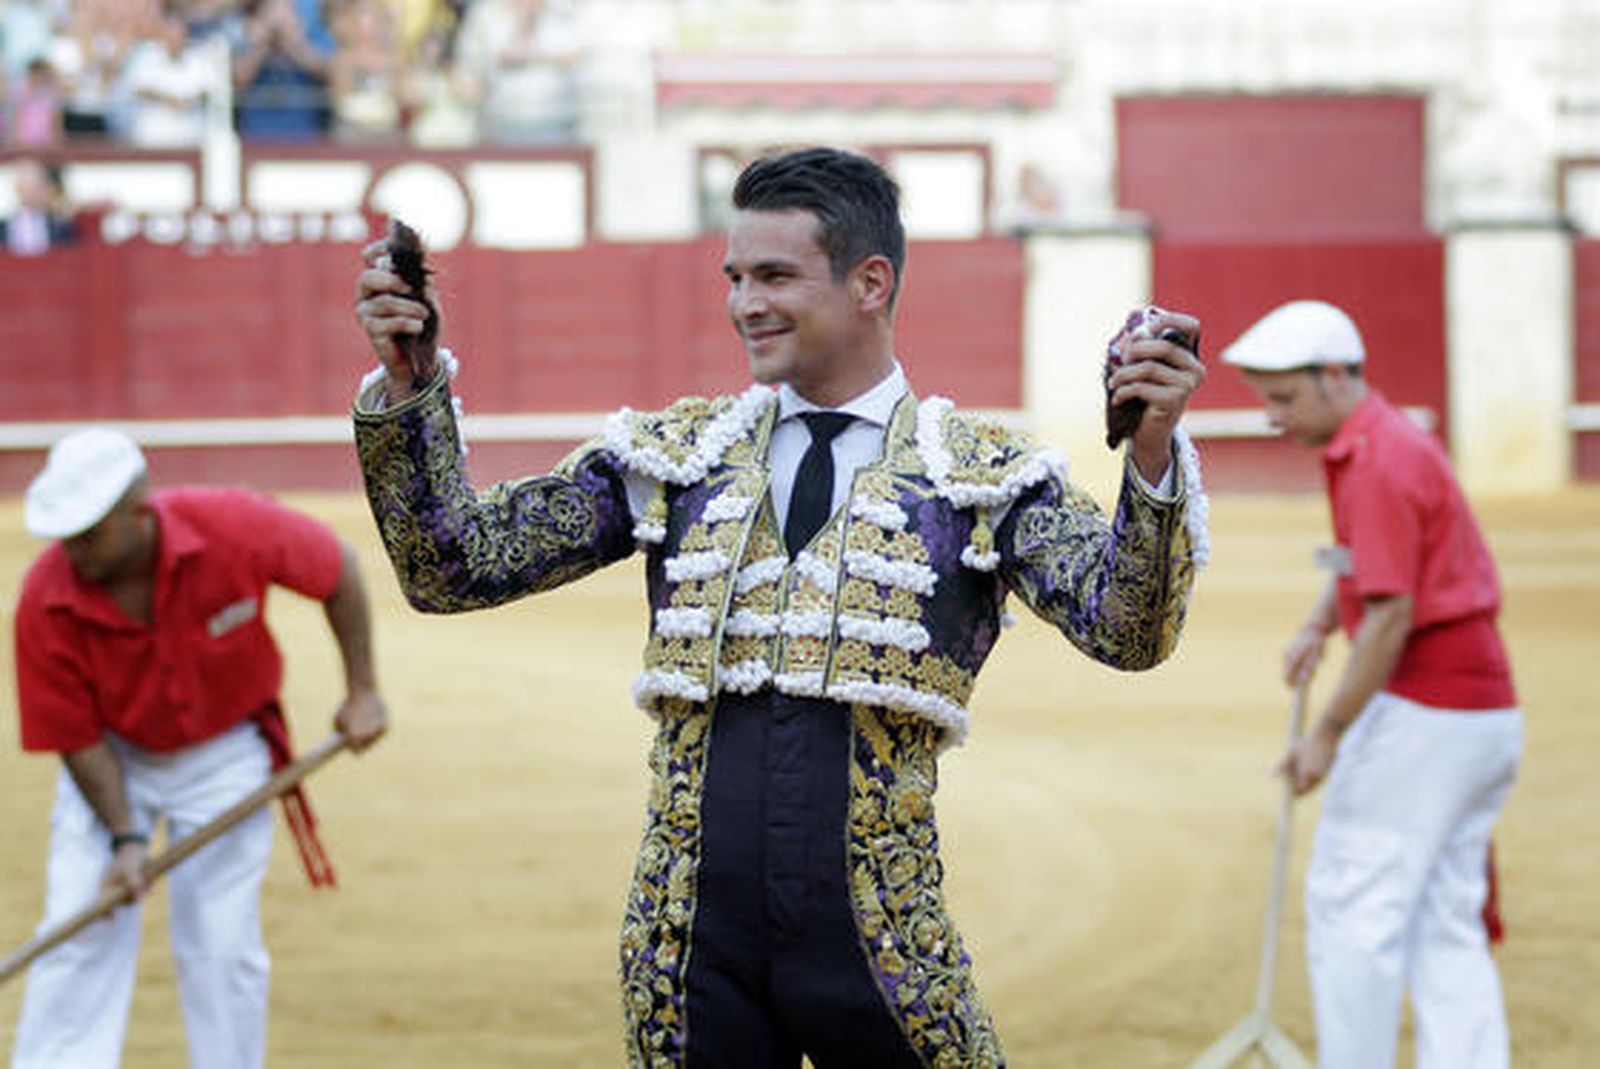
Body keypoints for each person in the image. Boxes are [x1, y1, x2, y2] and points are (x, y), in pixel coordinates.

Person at [351, 146, 1206, 1067]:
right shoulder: (679, 457)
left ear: (870, 281)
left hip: (884, 944)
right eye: (735, 276)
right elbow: (455, 566)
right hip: (689, 943)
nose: (744, 302)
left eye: (774, 275)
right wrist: (411, 384)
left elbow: (1127, 630)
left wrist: (1152, 456)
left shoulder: (978, 477)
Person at [10, 427, 389, 1069]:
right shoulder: (45, 600)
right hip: (111, 760)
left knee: (222, 947)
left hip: (225, 754)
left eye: (87, 534)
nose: (71, 550)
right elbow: (74, 737)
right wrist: (126, 838)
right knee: (77, 927)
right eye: (64, 535)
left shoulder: (230, 525)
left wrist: (363, 691)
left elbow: (338, 569)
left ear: (138, 513)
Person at [1222, 299, 1522, 1069]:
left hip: (1426, 712)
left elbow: (1391, 615)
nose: (1274, 419)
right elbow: (1364, 561)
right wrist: (1323, 620)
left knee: (1354, 905)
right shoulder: (1383, 441)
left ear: (1334, 376)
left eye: (1285, 398)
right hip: (1481, 714)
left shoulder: (1378, 459)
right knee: (1440, 915)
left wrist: (1327, 732)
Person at [1, 156, 77, 255]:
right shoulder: (3, 227)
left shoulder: (60, 226)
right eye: (25, 184)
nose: (29, 191)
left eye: (34, 185)